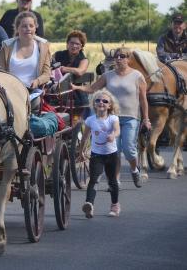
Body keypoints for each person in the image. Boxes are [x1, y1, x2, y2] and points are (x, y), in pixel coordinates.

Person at [72, 47, 152, 188]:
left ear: (128, 59)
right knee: (115, 151)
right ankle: (115, 181)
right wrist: (77, 88)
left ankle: (134, 170)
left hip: (131, 118)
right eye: (117, 56)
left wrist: (146, 119)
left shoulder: (137, 76)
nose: (119, 58)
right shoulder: (108, 76)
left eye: (122, 56)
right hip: (111, 118)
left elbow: (143, 100)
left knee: (129, 149)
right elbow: (93, 88)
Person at [81, 90, 121, 218]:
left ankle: (115, 205)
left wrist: (113, 135)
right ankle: (89, 205)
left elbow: (117, 130)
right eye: (98, 100)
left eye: (105, 101)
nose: (101, 103)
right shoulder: (90, 120)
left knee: (112, 181)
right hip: (96, 155)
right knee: (93, 180)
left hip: (111, 155)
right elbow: (85, 136)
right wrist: (81, 150)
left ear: (110, 105)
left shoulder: (113, 118)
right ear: (94, 104)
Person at [0, 11, 51, 89]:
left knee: (36, 101)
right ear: (17, 28)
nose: (28, 29)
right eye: (24, 26)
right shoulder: (6, 47)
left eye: (31, 26)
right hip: (10, 90)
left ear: (35, 28)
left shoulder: (43, 47)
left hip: (33, 91)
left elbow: (47, 74)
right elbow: (0, 72)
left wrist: (37, 81)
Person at [53, 30, 90, 110]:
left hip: (76, 93)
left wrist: (63, 69)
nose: (74, 46)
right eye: (71, 43)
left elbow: (80, 72)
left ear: (81, 46)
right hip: (57, 91)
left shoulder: (84, 60)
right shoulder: (58, 55)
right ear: (67, 44)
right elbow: (48, 65)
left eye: (77, 44)